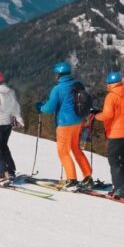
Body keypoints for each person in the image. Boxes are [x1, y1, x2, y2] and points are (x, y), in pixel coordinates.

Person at [36, 61, 93, 189]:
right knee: (76, 149)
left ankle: (72, 179)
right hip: (78, 122)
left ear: (59, 75)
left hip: (65, 124)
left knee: (63, 152)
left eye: (55, 74)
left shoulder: (58, 89)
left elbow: (50, 108)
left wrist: (40, 107)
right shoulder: (77, 84)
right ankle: (88, 176)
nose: (55, 76)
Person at [94, 71, 124, 199]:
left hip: (116, 132)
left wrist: (97, 115)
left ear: (110, 84)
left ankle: (120, 190)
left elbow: (108, 115)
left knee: (114, 161)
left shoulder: (111, 96)